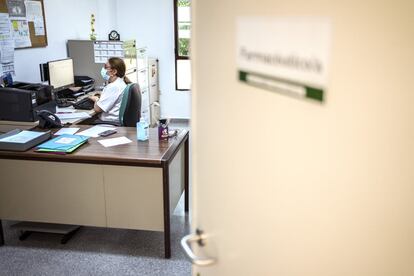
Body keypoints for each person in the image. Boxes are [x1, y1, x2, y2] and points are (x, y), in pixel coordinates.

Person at [89, 57, 132, 123]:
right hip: (115, 121)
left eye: (105, 67)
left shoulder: (114, 86)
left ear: (114, 71)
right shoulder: (120, 82)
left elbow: (98, 109)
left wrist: (96, 99)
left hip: (110, 123)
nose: (103, 69)